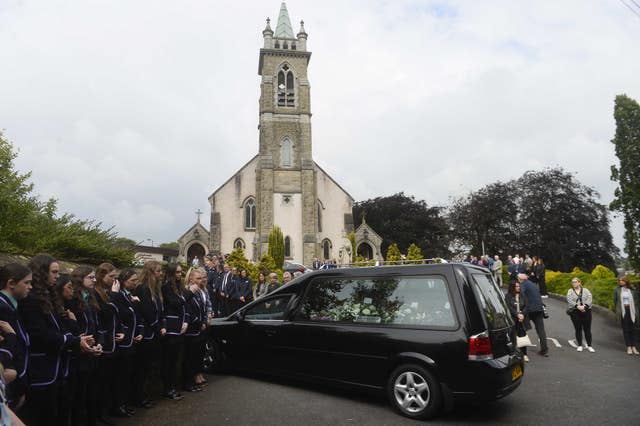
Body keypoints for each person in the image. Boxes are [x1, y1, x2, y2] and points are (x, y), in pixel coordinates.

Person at [19, 254, 95, 425]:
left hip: (57, 368)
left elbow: (60, 326)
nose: (58, 275)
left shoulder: (48, 296)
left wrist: (77, 339)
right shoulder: (31, 300)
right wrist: (73, 340)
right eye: (54, 272)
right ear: (41, 272)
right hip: (42, 370)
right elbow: (40, 334)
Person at [68, 265, 102, 426]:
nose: (94, 280)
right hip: (80, 352)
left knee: (92, 390)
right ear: (80, 278)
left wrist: (99, 343)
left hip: (92, 350)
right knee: (78, 394)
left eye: (95, 277)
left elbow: (96, 324)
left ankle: (92, 420)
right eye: (91, 277)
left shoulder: (91, 296)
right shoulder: (72, 298)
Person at [94, 263, 128, 419]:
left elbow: (118, 314)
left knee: (113, 381)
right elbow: (105, 313)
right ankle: (100, 415)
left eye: (115, 277)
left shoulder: (111, 292)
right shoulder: (96, 292)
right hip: (104, 343)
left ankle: (110, 411)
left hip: (115, 342)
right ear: (102, 276)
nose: (115, 280)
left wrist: (121, 331)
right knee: (102, 383)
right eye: (111, 277)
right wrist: (114, 295)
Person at [0, 263, 31, 413]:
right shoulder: (3, 309)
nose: (30, 287)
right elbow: (9, 353)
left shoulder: (12, 306)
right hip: (9, 387)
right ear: (11, 283)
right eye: (26, 282)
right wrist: (19, 388)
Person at [132, 261, 164, 407]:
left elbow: (158, 310)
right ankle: (140, 397)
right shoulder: (143, 288)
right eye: (158, 271)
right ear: (151, 272)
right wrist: (158, 328)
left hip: (154, 333)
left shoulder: (155, 289)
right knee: (142, 368)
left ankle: (147, 395)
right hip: (146, 334)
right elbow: (147, 312)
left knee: (150, 366)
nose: (160, 274)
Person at [112, 268, 143, 415]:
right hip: (123, 341)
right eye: (132, 281)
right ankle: (118, 406)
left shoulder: (130, 295)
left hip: (132, 338)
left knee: (127, 375)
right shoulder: (119, 295)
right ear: (124, 281)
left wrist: (139, 332)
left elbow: (137, 316)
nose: (135, 283)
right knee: (121, 376)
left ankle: (124, 403)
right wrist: (135, 304)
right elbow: (125, 313)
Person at [161, 263, 186, 400]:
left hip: (179, 327)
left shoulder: (179, 287)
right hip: (171, 327)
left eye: (181, 272)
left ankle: (172, 387)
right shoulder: (166, 287)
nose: (180, 275)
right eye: (177, 272)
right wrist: (188, 294)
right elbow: (174, 303)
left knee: (175, 360)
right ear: (171, 273)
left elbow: (184, 305)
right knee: (169, 360)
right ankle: (167, 388)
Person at [517, 273, 549, 357]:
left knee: (521, 327)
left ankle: (521, 349)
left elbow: (522, 295)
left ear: (520, 279)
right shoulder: (533, 284)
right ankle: (544, 349)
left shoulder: (523, 285)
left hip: (529, 310)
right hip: (539, 309)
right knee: (540, 330)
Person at [565, 277, 594, 352]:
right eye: (572, 282)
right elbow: (569, 299)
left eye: (575, 282)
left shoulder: (586, 290)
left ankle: (589, 345)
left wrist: (585, 306)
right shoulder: (570, 291)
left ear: (579, 283)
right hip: (575, 312)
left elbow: (590, 298)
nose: (574, 283)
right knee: (578, 329)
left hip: (586, 311)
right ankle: (580, 345)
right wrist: (577, 306)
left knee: (587, 329)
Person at [613, 276, 639, 355]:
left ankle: (634, 347)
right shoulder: (616, 289)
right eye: (619, 280)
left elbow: (636, 301)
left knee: (633, 329)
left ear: (626, 281)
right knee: (626, 329)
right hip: (623, 311)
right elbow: (615, 300)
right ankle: (629, 347)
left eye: (622, 280)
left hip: (631, 310)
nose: (620, 282)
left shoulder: (632, 290)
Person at [505, 281, 529, 362]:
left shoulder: (523, 295)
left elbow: (526, 306)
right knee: (511, 337)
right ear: (512, 287)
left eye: (519, 286)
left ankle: (524, 354)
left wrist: (522, 314)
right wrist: (517, 314)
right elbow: (508, 307)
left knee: (522, 337)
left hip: (522, 319)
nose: (519, 287)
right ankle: (512, 353)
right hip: (513, 319)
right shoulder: (508, 296)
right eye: (517, 286)